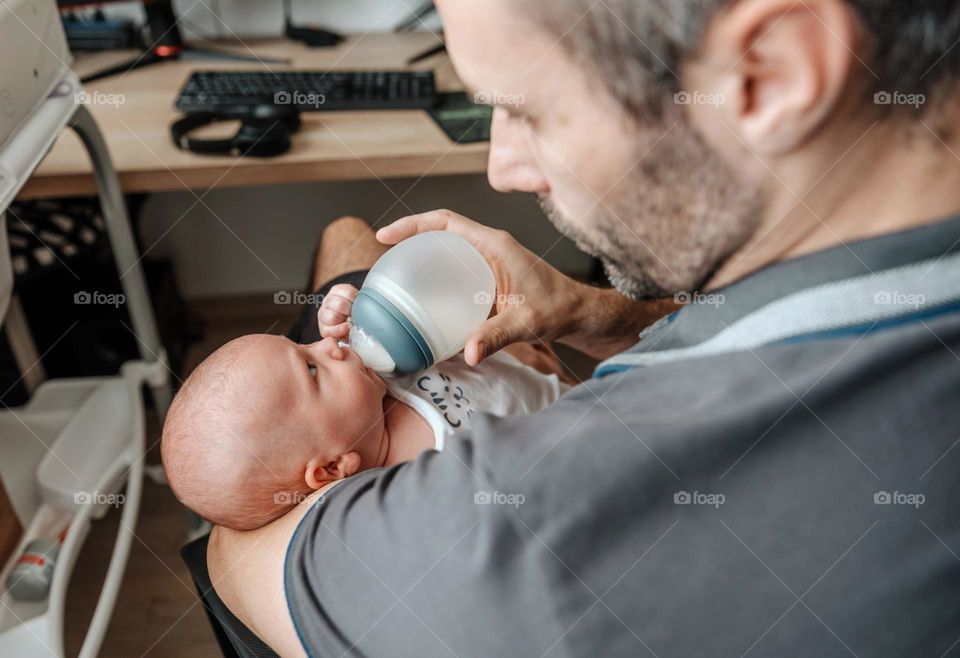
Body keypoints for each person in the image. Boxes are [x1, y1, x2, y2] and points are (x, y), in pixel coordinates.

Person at [207, 1, 960, 656]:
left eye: (528, 111)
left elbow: (239, 550)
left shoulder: (525, 533)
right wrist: (592, 313)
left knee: (346, 242)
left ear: (772, 68)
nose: (502, 167)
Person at [161, 281, 569, 530]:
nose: (326, 347)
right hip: (574, 427)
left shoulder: (370, 378)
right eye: (313, 369)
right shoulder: (420, 484)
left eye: (303, 344)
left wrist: (351, 313)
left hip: (546, 375)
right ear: (334, 467)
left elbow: (422, 321)